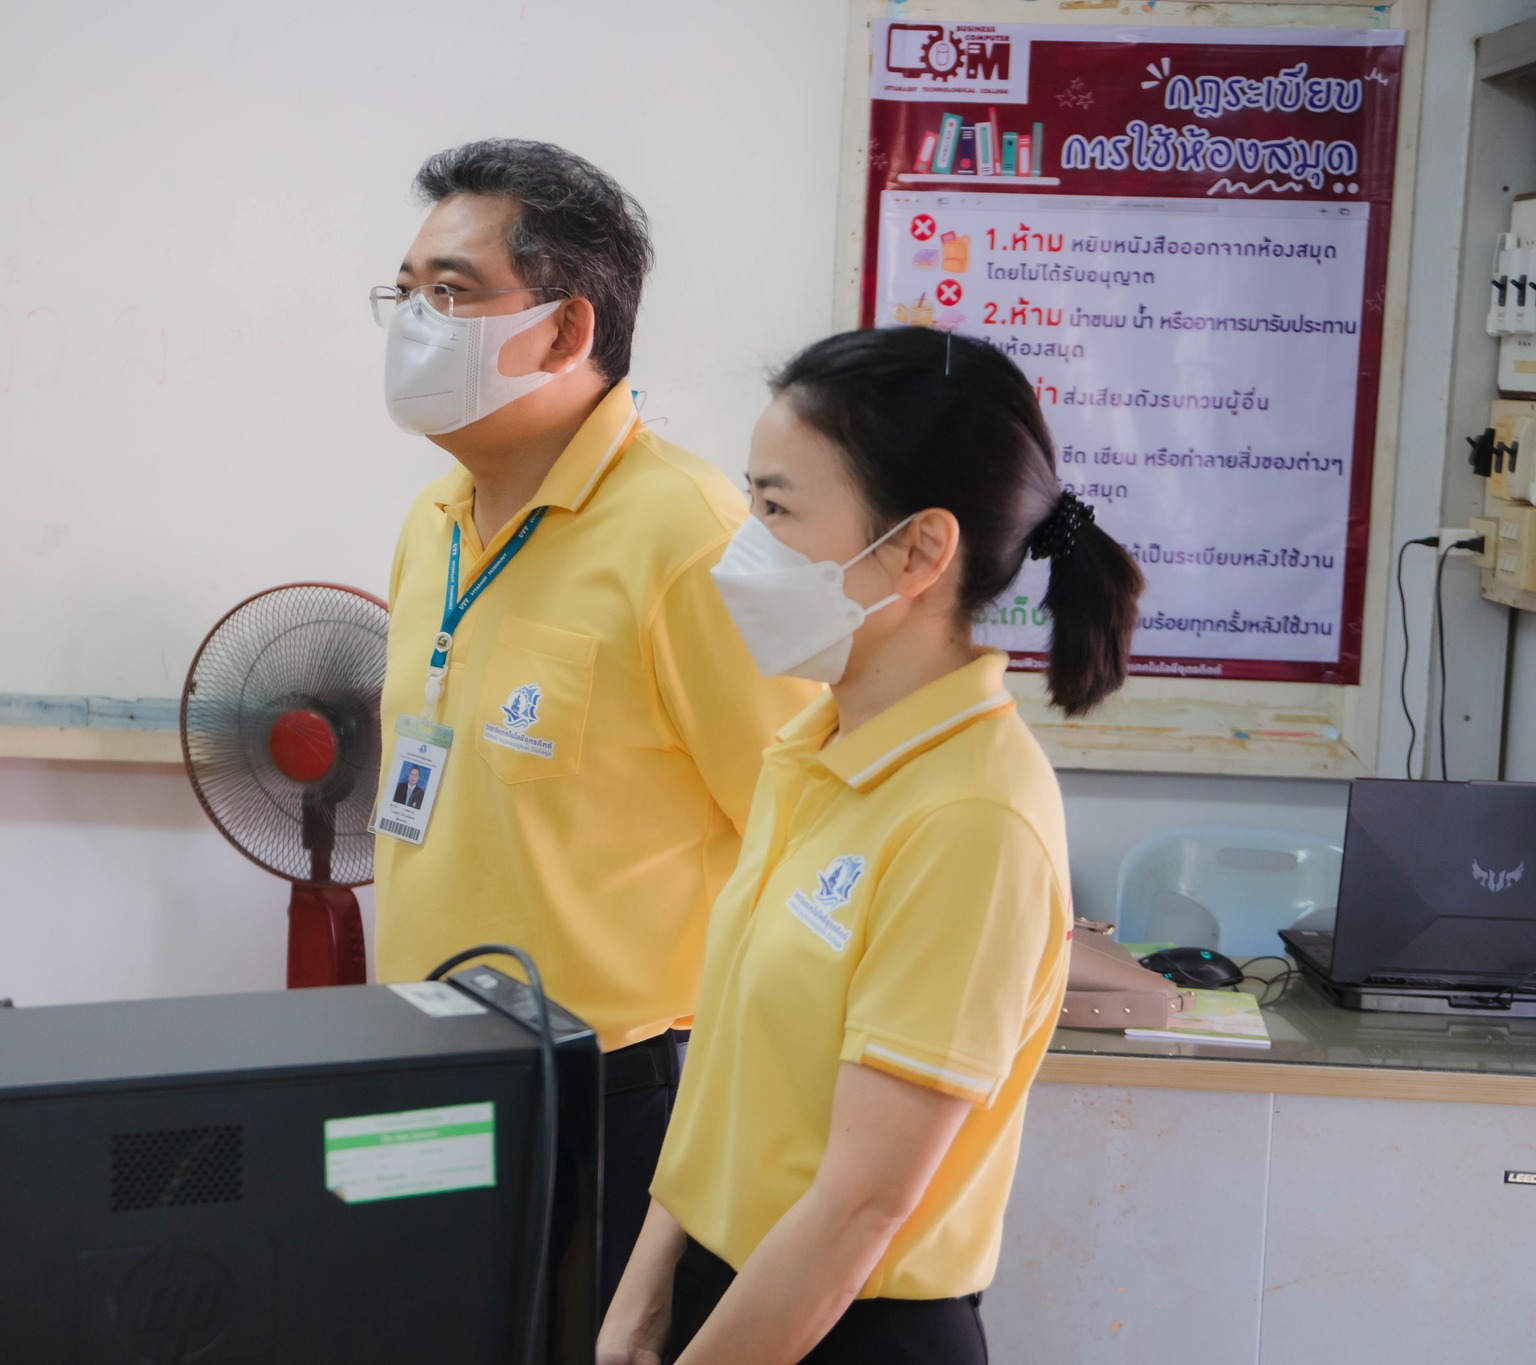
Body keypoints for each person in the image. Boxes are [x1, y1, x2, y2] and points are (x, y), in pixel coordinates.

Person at [597, 327, 1145, 1365]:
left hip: (844, 1327)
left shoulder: (971, 820)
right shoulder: (813, 747)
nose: (738, 548)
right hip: (731, 1289)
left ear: (916, 551)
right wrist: (644, 1284)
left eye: (774, 509)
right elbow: (728, 1076)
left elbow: (856, 1209)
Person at [369, 139, 818, 1302]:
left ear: (567, 332)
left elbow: (799, 831)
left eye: (451, 292)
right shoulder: (433, 516)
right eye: (403, 291)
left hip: (612, 1087)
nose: (412, 321)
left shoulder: (692, 536)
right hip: (419, 1052)